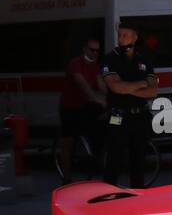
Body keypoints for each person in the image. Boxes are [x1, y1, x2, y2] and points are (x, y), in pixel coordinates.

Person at [100, 23, 158, 188]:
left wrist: (127, 88)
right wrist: (141, 83)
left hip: (139, 116)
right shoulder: (110, 58)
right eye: (119, 35)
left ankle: (137, 199)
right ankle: (108, 196)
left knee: (139, 161)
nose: (121, 39)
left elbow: (153, 91)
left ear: (135, 37)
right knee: (114, 159)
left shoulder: (144, 59)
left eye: (125, 35)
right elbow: (115, 87)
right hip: (118, 115)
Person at [58, 35, 106, 183]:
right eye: (92, 50)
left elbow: (101, 86)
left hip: (84, 107)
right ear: (84, 50)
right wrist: (95, 98)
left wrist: (113, 97)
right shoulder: (75, 64)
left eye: (98, 51)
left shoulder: (95, 66)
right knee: (68, 142)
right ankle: (66, 178)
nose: (95, 53)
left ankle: (95, 155)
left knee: (103, 122)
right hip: (69, 107)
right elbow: (82, 84)